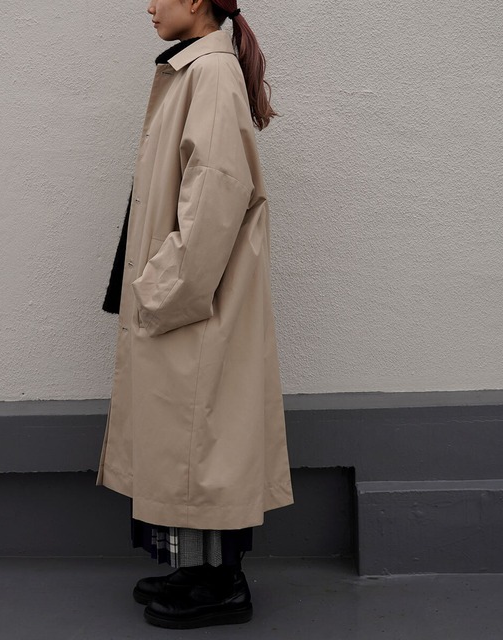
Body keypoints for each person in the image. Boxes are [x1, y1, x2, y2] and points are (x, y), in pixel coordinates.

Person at [96, 0, 294, 629]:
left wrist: (159, 292)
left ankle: (222, 584)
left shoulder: (208, 73)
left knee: (200, 450)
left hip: (193, 300)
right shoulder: (193, 69)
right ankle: (196, 572)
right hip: (188, 296)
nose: (150, 6)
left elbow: (214, 202)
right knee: (190, 448)